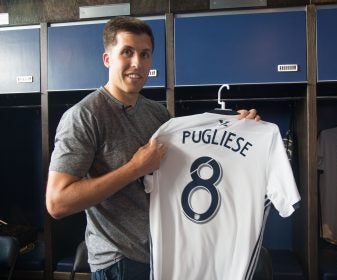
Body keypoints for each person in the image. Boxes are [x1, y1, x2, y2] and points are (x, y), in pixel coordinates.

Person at [46, 16, 260, 280]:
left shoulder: (158, 115)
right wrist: (135, 168)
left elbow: (196, 160)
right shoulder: (84, 116)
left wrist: (238, 127)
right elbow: (57, 202)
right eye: (127, 52)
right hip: (119, 261)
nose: (137, 63)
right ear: (107, 59)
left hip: (164, 254)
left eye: (145, 54)